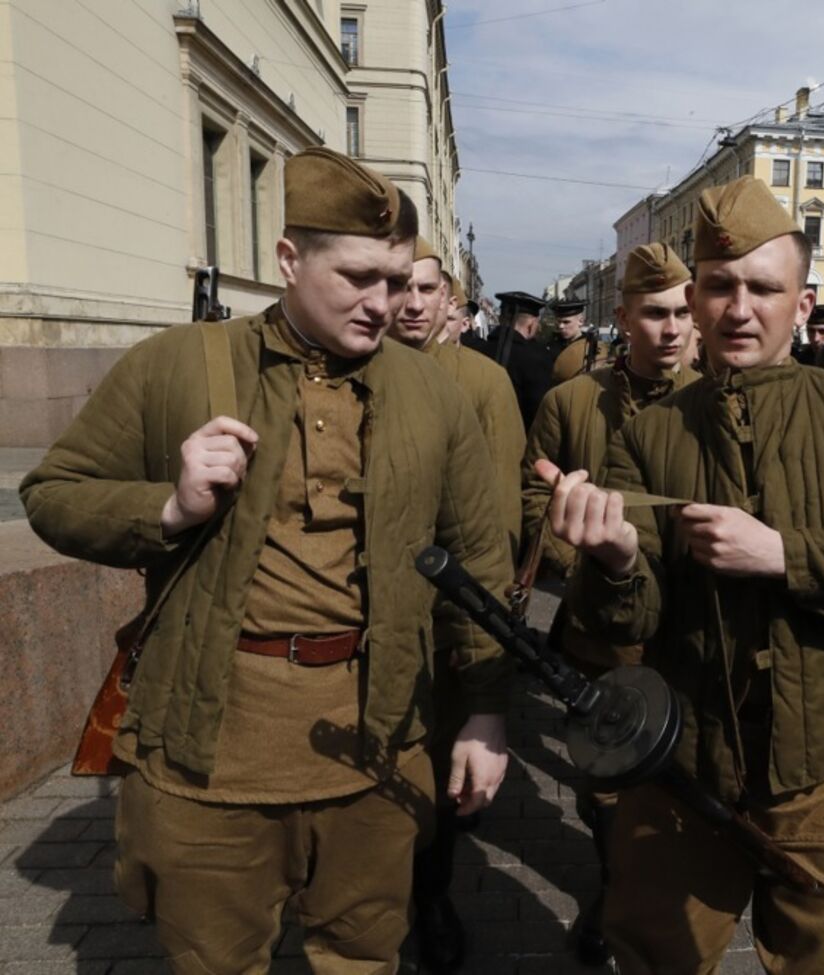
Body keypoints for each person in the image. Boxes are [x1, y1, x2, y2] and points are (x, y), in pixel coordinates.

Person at [21, 147, 515, 973]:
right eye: (357, 277)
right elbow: (54, 493)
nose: (382, 302)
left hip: (376, 759)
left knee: (362, 959)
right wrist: (169, 506)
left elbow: (475, 565)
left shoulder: (435, 394)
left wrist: (488, 709)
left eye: (396, 281)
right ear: (289, 259)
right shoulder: (175, 366)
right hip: (206, 766)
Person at [538, 175, 824, 975]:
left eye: (764, 289)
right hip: (681, 771)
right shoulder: (652, 428)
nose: (741, 308)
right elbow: (628, 620)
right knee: (652, 959)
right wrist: (618, 561)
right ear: (696, 298)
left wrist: (784, 553)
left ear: (801, 306)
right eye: (720, 286)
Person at [521, 242, 699, 964]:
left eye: (685, 312)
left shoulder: (719, 397)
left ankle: (662, 895)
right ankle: (614, 887)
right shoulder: (573, 401)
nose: (673, 328)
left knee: (682, 779)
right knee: (603, 785)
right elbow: (531, 492)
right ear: (623, 316)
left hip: (688, 634)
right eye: (655, 312)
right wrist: (578, 557)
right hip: (600, 633)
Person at [391, 236, 526, 971]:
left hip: (448, 618)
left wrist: (486, 622)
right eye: (399, 287)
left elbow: (498, 517)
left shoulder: (480, 384)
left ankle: (432, 897)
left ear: (449, 299)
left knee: (440, 771)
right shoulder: (356, 372)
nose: (412, 303)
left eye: (425, 289)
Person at [483, 291, 554, 429]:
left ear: (500, 319)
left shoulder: (477, 350)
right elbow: (540, 413)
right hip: (520, 440)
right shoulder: (537, 359)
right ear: (531, 325)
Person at [548, 299, 593, 382]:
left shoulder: (590, 346)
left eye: (566, 322)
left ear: (581, 321)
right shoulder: (550, 345)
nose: (561, 326)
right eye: (559, 322)